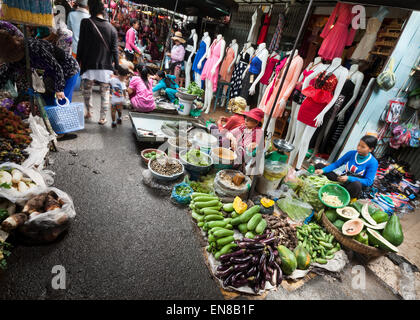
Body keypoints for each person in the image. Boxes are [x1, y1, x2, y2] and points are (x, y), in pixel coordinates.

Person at [0, 21, 79, 106]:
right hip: (50, 75)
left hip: (68, 69)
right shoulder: (12, 58)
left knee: (61, 104)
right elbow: (5, 74)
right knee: (47, 102)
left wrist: (59, 89)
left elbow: (56, 67)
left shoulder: (32, 47)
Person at [77, 0, 119, 125]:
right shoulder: (112, 28)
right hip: (106, 66)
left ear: (91, 9)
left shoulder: (85, 22)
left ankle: (89, 112)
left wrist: (77, 61)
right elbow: (115, 50)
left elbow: (81, 44)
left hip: (89, 64)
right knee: (105, 92)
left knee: (87, 90)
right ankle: (102, 118)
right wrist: (116, 68)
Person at [314, 135, 379, 199]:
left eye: (363, 147)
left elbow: (368, 181)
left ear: (370, 149)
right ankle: (334, 190)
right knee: (319, 166)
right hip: (341, 181)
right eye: (358, 145)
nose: (358, 148)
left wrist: (349, 178)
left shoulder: (373, 162)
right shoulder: (351, 153)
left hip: (352, 188)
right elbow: (336, 164)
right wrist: (323, 170)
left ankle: (344, 198)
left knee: (356, 185)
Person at [226, 108, 265, 173]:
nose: (246, 121)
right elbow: (228, 133)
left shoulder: (258, 132)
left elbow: (254, 147)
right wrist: (233, 139)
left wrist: (253, 146)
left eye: (249, 120)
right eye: (246, 118)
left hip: (244, 162)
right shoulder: (243, 127)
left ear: (256, 122)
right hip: (235, 155)